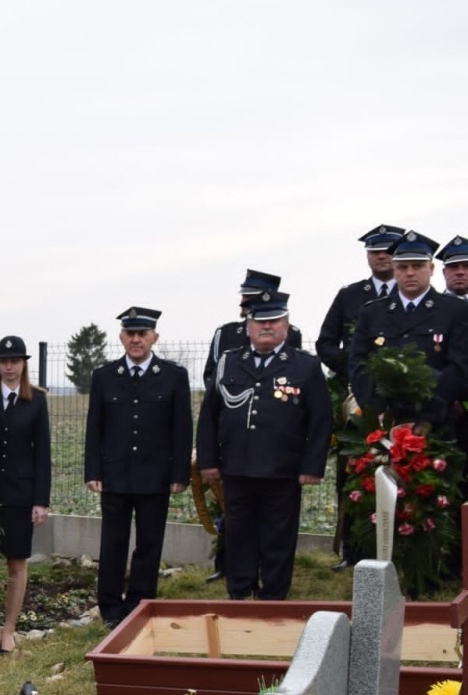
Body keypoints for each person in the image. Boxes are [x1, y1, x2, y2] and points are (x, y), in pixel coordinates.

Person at [198, 292, 332, 600]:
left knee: (278, 536)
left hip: (282, 469)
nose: (266, 327)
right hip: (237, 467)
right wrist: (208, 461)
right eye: (260, 321)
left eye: (274, 321)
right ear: (248, 326)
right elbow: (209, 417)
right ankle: (240, 591)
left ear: (286, 325)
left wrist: (312, 467)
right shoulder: (229, 362)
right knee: (238, 533)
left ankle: (273, 595)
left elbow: (321, 421)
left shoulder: (306, 367)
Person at [84, 307, 192, 627]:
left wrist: (179, 474)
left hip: (155, 476)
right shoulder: (104, 376)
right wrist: (93, 471)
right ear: (121, 338)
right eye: (130, 334)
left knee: (149, 542)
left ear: (154, 337)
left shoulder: (174, 376)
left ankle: (140, 601)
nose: (136, 340)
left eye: (142, 334)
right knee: (113, 541)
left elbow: (182, 430)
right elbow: (95, 428)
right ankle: (110, 605)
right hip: (115, 475)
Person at [318, 224, 403, 571]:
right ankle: (351, 550)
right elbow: (326, 343)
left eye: (387, 250)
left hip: (403, 398)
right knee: (354, 471)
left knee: (403, 467)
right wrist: (356, 373)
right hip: (357, 400)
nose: (380, 256)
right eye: (373, 251)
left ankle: (401, 547)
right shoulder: (350, 295)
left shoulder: (417, 294)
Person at [349, 230, 468, 436]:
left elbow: (458, 367)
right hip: (384, 423)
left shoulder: (454, 310)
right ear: (394, 271)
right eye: (403, 267)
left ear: (431, 269)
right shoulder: (372, 312)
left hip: (437, 424)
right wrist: (377, 412)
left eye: (417, 266)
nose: (410, 273)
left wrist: (428, 417)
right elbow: (359, 365)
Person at [0, 336, 50, 655]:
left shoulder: (36, 400)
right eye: (4, 361)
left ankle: (10, 630)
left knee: (17, 562)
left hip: (22, 494)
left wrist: (41, 501)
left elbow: (42, 454)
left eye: (15, 361)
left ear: (23, 364)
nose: (9, 367)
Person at [202, 269, 304, 390]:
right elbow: (212, 376)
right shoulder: (226, 333)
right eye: (243, 296)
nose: (242, 302)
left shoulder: (291, 333)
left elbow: (294, 373)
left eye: (248, 297)